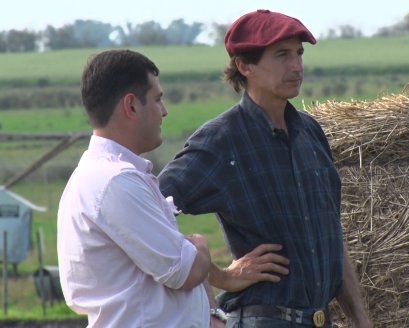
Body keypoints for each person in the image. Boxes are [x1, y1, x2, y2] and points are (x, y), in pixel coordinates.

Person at [158, 9, 372, 328]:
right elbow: (151, 210)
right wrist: (222, 276)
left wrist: (360, 319)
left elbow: (331, 235)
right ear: (245, 66)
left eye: (299, 54)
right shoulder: (221, 141)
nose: (296, 66)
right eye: (282, 55)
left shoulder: (311, 134)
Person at [57, 49, 215, 327]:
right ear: (131, 106)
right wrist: (200, 244)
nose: (164, 111)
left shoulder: (98, 176)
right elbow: (185, 271)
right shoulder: (116, 181)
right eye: (157, 99)